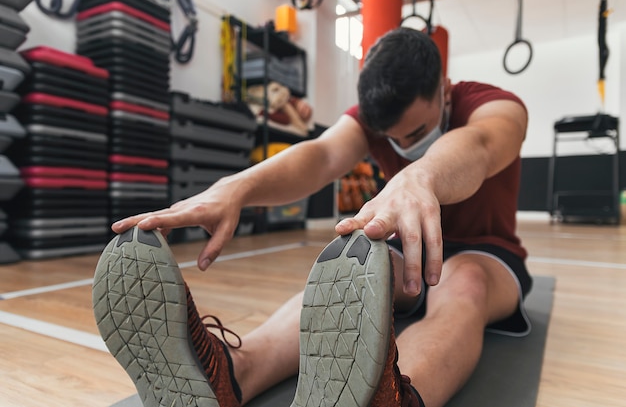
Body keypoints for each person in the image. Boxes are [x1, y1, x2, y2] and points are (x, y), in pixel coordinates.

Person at [97, 27, 532, 407]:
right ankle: (231, 374)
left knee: (463, 281)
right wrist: (237, 187)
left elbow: (477, 146)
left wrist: (421, 175)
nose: (403, 146)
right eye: (392, 140)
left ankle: (395, 400)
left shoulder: (496, 105)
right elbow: (320, 155)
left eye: (416, 135)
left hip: (486, 253)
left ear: (446, 89)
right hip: (408, 248)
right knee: (358, 269)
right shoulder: (370, 121)